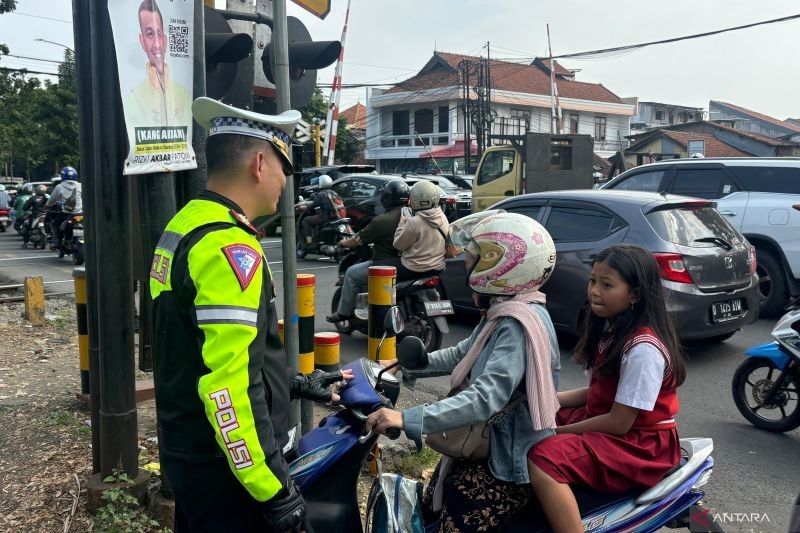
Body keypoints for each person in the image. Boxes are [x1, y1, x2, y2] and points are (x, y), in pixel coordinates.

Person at [149, 96, 350, 532]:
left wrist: (292, 385)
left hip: (193, 455)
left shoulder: (186, 224)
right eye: (287, 167)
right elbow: (226, 387)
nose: (285, 181)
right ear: (260, 163)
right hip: (228, 475)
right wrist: (274, 490)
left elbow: (198, 352)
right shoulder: (229, 248)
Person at [366, 211, 561, 531]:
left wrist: (407, 418)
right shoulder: (505, 310)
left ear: (502, 266)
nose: (467, 265)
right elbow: (464, 353)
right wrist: (415, 363)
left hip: (508, 461)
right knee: (429, 506)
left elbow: (485, 397)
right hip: (486, 444)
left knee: (451, 522)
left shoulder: (516, 324)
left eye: (474, 260)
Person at [527, 244, 687, 532]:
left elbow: (620, 421)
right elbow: (599, 392)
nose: (595, 291)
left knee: (542, 456)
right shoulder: (613, 330)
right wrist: (545, 400)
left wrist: (555, 431)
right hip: (611, 423)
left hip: (640, 444)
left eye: (607, 284)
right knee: (528, 421)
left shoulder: (643, 348)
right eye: (592, 281)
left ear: (635, 294)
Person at [325, 179, 409, 323]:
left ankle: (343, 313)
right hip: (409, 261)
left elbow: (358, 239)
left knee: (351, 273)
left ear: (387, 198)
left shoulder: (382, 220)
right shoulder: (414, 215)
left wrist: (344, 243)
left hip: (385, 263)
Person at [128, 0, 190, 127]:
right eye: (150, 34)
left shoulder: (184, 93)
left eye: (159, 34)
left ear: (165, 40)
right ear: (142, 41)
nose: (157, 44)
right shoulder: (135, 97)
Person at [388, 180, 449, 282]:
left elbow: (398, 245)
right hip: (438, 267)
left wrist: (402, 223)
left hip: (414, 268)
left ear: (414, 200)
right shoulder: (442, 217)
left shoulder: (414, 222)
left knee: (378, 270)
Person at [299, 174, 345, 244]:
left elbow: (312, 206)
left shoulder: (321, 194)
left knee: (306, 220)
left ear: (321, 183)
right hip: (335, 216)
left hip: (325, 217)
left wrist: (302, 208)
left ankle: (309, 242)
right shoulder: (334, 192)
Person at [46, 166, 83, 252]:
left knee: (55, 224)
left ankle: (57, 242)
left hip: (66, 214)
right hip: (80, 214)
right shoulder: (80, 185)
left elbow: (52, 200)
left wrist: (48, 204)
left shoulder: (59, 187)